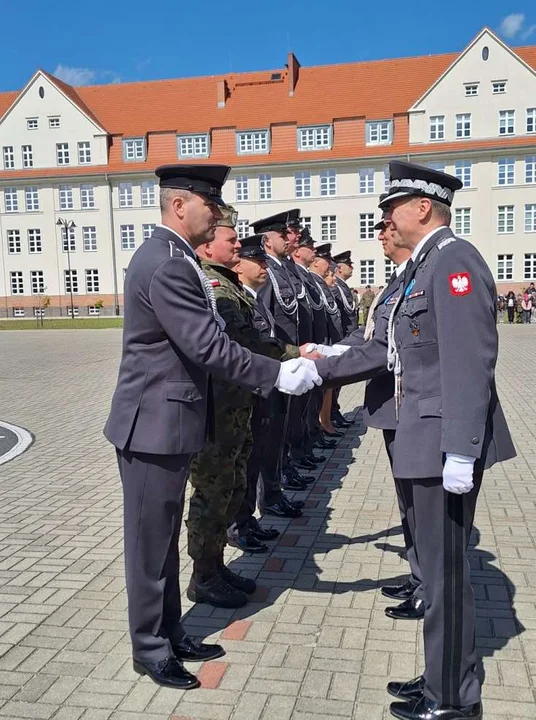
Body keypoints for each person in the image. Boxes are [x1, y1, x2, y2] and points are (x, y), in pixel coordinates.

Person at [103, 164, 321, 690]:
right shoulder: (167, 264)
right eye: (212, 206)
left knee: (163, 544)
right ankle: (150, 648)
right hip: (152, 425)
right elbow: (207, 346)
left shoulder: (176, 259)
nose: (219, 216)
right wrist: (277, 373)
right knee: (149, 545)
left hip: (169, 421)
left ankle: (171, 631)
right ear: (180, 206)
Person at [315, 161, 516, 720]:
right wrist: (326, 363)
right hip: (421, 436)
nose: (383, 220)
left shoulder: (454, 261)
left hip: (440, 441)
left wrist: (461, 447)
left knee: (446, 578)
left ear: (421, 207)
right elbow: (393, 349)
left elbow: (470, 361)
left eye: (389, 210)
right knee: (435, 565)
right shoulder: (420, 268)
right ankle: (442, 675)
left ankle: (453, 699)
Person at [186, 212, 318, 605]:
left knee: (232, 486)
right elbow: (248, 344)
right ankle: (203, 575)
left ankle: (216, 566)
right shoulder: (216, 288)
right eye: (231, 239)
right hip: (217, 412)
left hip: (236, 407)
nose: (238, 246)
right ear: (208, 246)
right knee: (212, 494)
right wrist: (295, 356)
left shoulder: (229, 285)